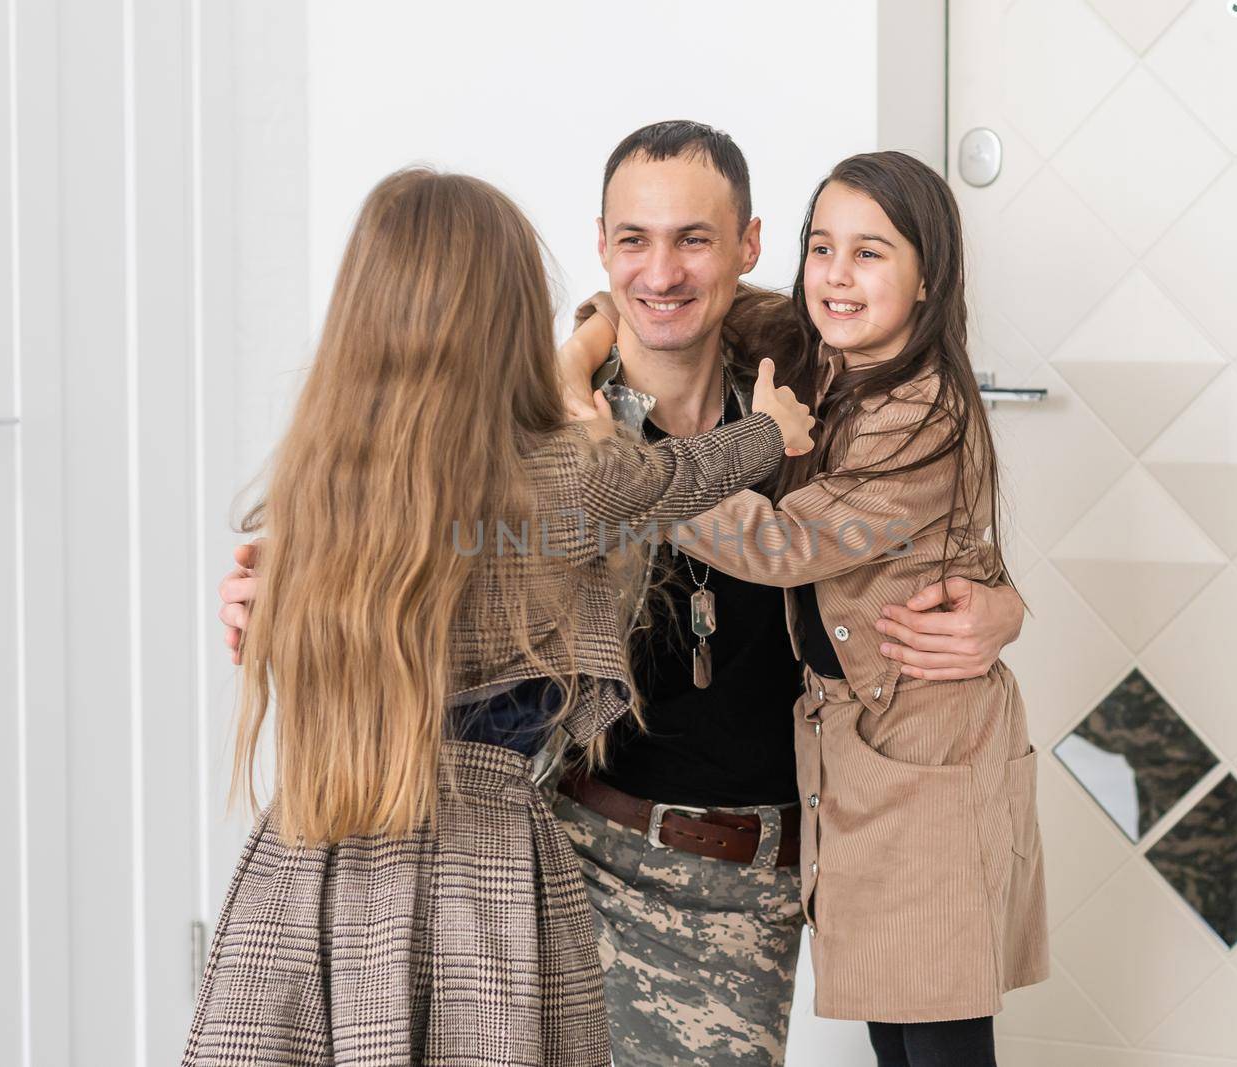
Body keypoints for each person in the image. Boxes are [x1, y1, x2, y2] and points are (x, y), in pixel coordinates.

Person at [219, 122, 1028, 1067]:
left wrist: (1000, 606)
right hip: (572, 858)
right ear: (601, 247)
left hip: (752, 879)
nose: (664, 273)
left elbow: (928, 520)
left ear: (749, 248)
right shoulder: (542, 418)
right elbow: (425, 513)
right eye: (635, 241)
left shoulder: (818, 381)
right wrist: (290, 574)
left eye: (694, 239)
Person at [182, 166, 816, 1067]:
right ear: (509, 314)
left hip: (320, 864)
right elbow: (678, 473)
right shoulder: (564, 473)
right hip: (485, 866)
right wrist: (774, 429)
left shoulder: (322, 481)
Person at [565, 151, 1051, 1066]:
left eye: (869, 253)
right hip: (785, 791)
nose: (665, 273)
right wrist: (575, 355)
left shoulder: (871, 392)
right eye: (822, 248)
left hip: (893, 772)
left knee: (932, 1021)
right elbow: (632, 303)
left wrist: (633, 465)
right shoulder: (809, 348)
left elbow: (795, 543)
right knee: (902, 1022)